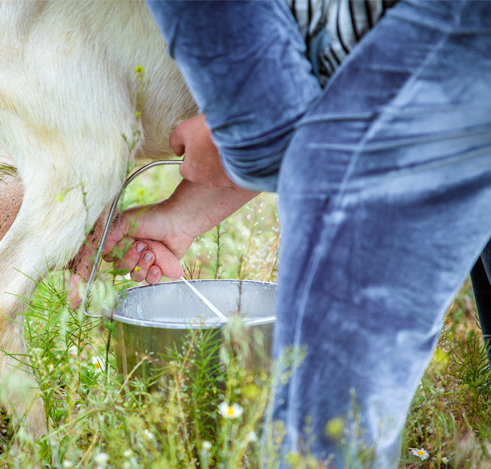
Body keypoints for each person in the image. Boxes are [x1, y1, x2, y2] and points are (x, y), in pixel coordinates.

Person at [84, 1, 491, 467]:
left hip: (449, 52)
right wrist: (182, 216)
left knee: (323, 429)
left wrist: (230, 138)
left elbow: (267, 135)